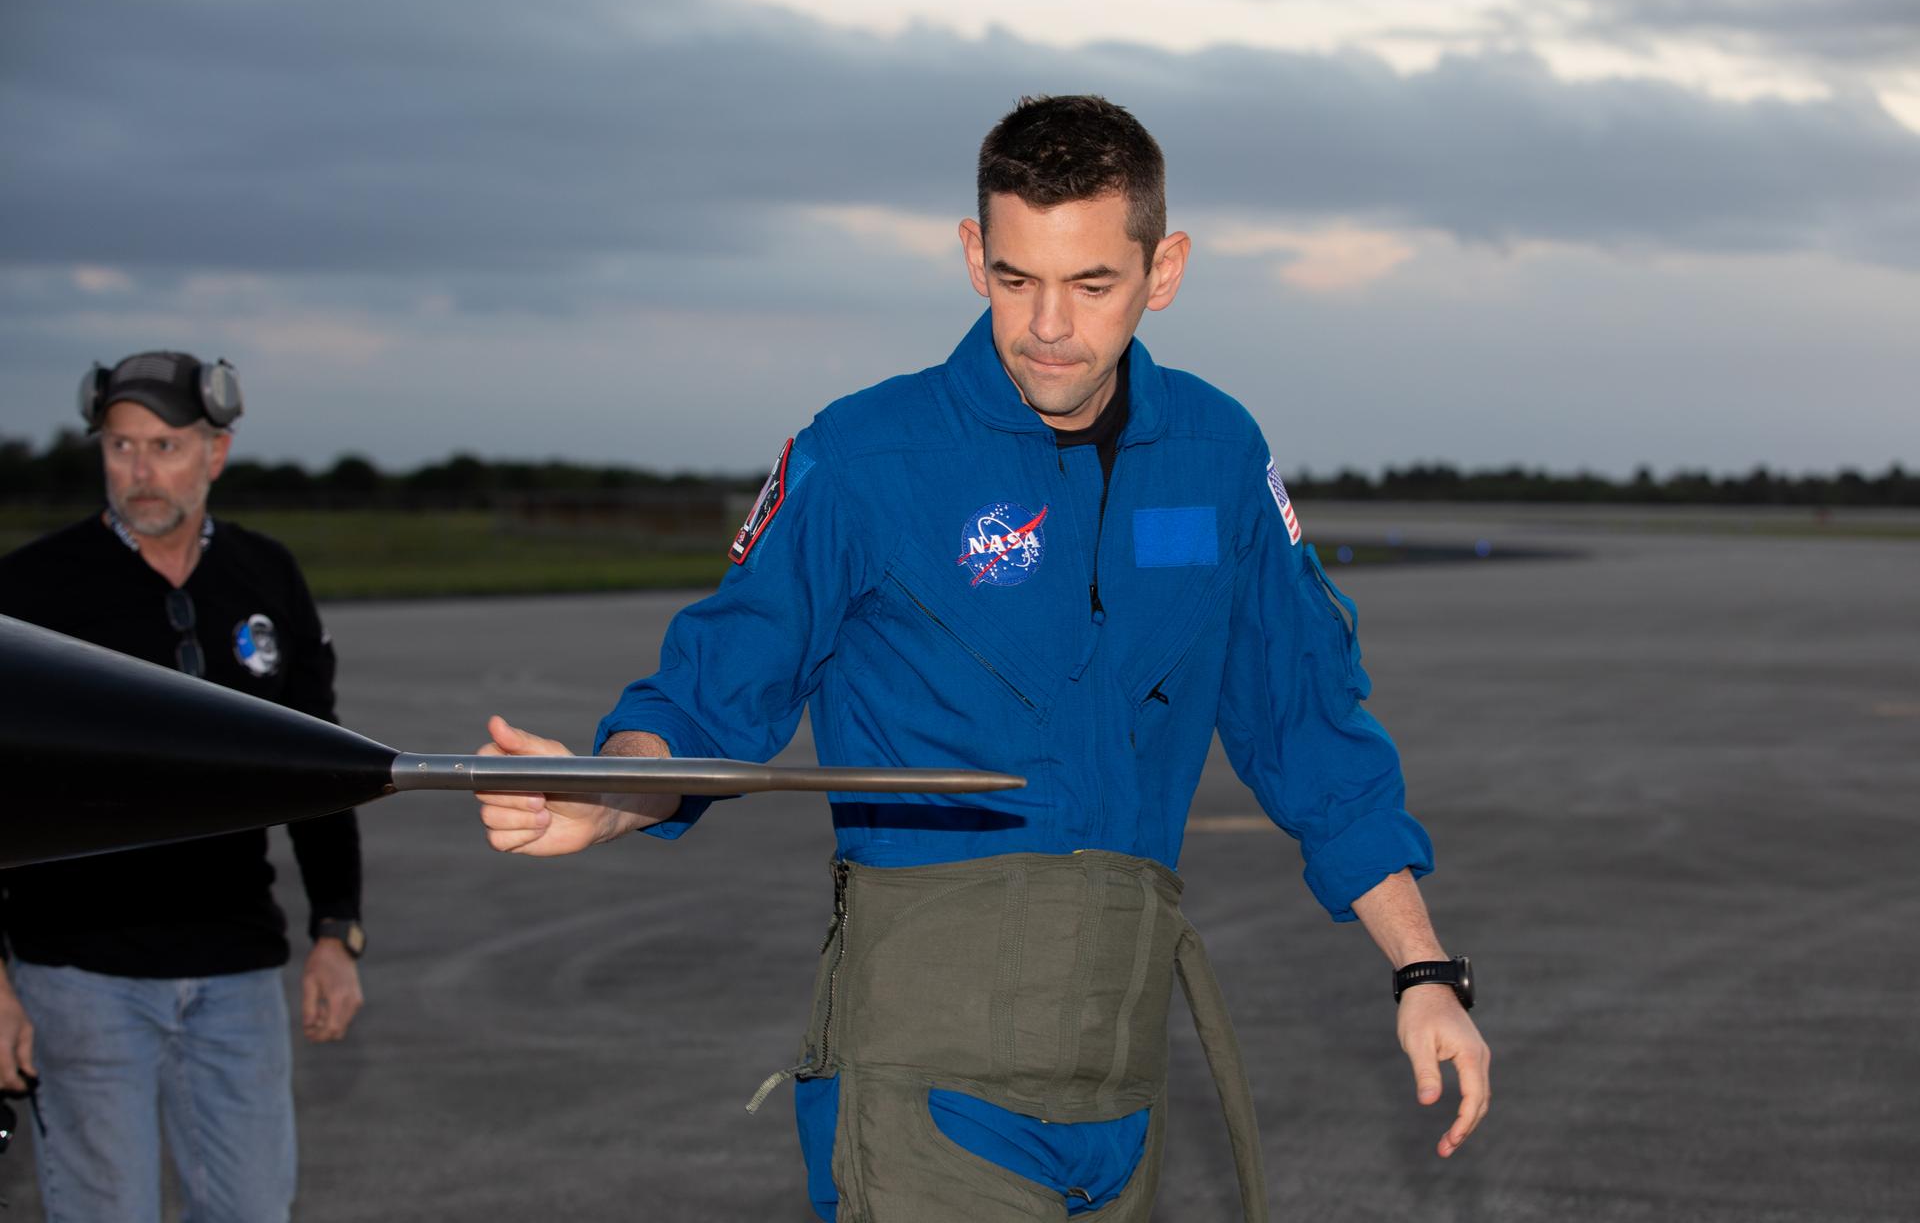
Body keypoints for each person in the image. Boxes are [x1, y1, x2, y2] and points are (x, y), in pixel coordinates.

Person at [475, 96, 1489, 1221]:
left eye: (1092, 284)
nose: (1048, 325)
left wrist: (1423, 969)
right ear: (973, 255)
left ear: (1166, 270)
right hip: (926, 1081)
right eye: (1016, 279)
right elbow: (721, 682)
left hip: (1122, 1080)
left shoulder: (1216, 456)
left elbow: (1307, 725)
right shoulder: (865, 457)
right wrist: (610, 794)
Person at [0, 351, 366, 1223]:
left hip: (236, 970)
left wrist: (334, 931)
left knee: (250, 1210)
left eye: (164, 445)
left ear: (217, 452)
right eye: (120, 446)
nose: (140, 470)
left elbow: (320, 767)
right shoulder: (31, 591)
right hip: (80, 974)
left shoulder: (266, 576)